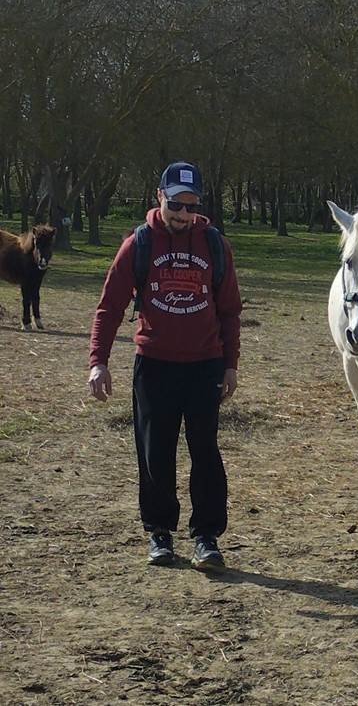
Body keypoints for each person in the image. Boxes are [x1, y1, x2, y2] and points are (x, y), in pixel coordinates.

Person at [87, 161, 242, 571]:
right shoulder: (138, 244)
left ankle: (206, 538)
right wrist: (98, 362)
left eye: (190, 206)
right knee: (155, 453)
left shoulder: (214, 246)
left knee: (205, 451)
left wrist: (231, 365)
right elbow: (109, 307)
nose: (183, 214)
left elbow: (229, 311)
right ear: (160, 197)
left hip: (205, 366)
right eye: (176, 204)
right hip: (154, 365)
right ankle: (160, 533)